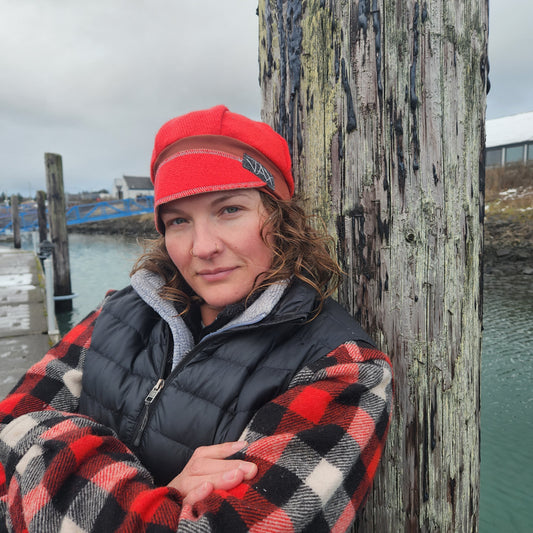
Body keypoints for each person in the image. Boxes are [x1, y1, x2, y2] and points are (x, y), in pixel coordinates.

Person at [0, 105, 393, 532]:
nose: (202, 247)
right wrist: (167, 494)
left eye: (229, 210)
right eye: (179, 220)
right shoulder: (118, 313)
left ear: (281, 217)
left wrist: (44, 458)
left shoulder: (342, 368)